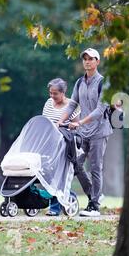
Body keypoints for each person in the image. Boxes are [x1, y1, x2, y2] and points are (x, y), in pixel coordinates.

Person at [58, 47, 113, 217]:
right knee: (76, 164)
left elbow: (99, 110)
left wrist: (79, 122)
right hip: (84, 133)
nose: (87, 62)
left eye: (91, 59)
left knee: (96, 168)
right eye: (85, 59)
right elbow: (72, 104)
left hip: (99, 131)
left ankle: (95, 206)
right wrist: (62, 119)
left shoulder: (104, 82)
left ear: (97, 61)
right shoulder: (79, 82)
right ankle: (94, 196)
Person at [42, 78, 80, 216]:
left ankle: (55, 208)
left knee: (59, 175)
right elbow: (45, 121)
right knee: (48, 173)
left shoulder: (72, 105)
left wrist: (70, 126)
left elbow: (77, 126)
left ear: (63, 92)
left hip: (65, 144)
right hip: (50, 143)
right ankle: (66, 194)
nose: (52, 96)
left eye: (55, 93)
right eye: (50, 93)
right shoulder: (48, 103)